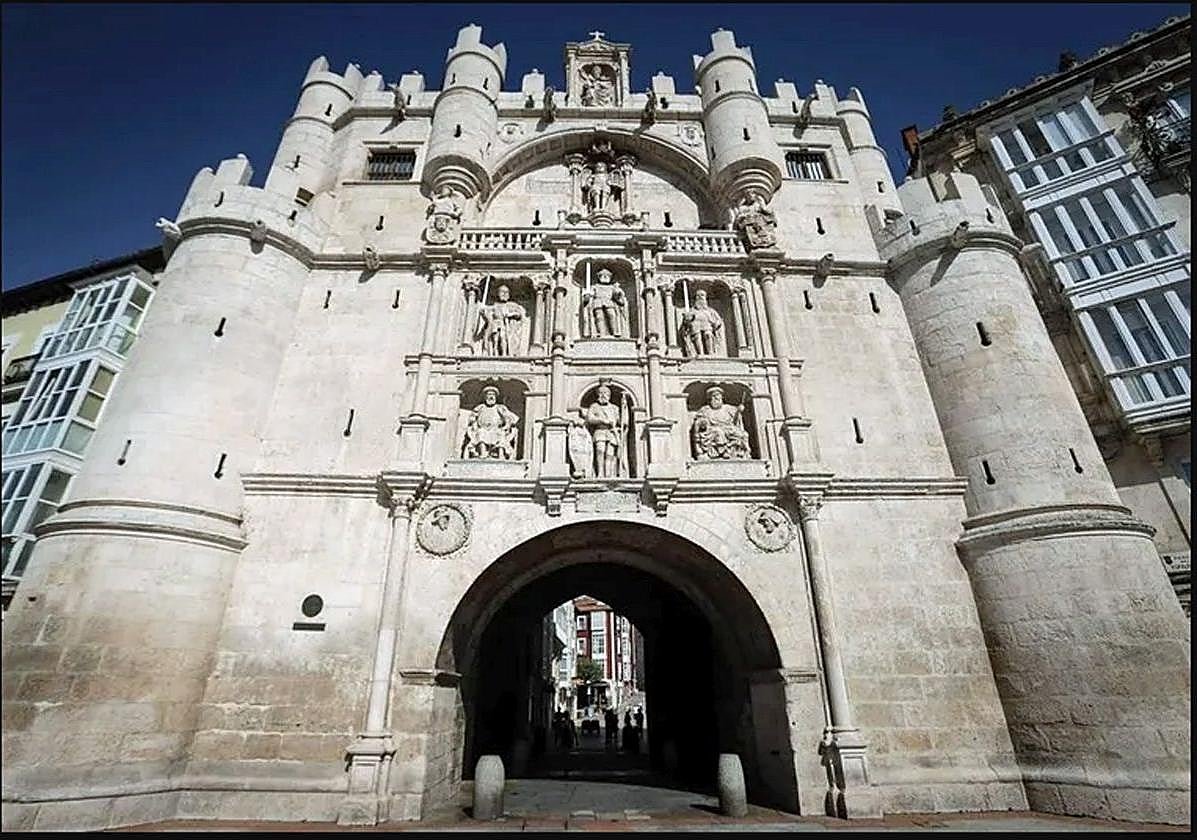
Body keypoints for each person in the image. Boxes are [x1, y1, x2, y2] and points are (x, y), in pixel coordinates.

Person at [691, 385, 751, 460]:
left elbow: (736, 421)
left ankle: (740, 454)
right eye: (713, 396)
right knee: (719, 432)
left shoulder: (729, 408)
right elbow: (699, 421)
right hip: (712, 430)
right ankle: (723, 452)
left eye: (718, 396)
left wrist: (738, 411)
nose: (716, 398)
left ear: (722, 397)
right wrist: (703, 422)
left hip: (729, 428)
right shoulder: (705, 410)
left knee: (743, 434)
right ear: (710, 399)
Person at [463, 386, 519, 460]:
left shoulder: (500, 408)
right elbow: (472, 418)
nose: (491, 397)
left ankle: (501, 454)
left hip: (497, 429)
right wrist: (474, 425)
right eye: (489, 395)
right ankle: (482, 453)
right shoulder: (480, 408)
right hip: (482, 429)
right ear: (485, 397)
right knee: (481, 433)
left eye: (493, 395)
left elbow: (508, 418)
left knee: (500, 434)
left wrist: (506, 426)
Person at [584, 384, 624, 478]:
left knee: (610, 454)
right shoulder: (594, 406)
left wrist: (624, 409)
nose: (603, 395)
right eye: (601, 393)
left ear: (609, 395)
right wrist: (602, 420)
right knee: (600, 451)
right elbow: (590, 419)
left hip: (612, 432)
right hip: (600, 431)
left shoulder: (614, 408)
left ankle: (609, 474)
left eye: (605, 393)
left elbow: (620, 421)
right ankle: (600, 473)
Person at [476, 284, 525, 357]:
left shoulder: (512, 305)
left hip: (505, 326)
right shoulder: (495, 305)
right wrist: (483, 310)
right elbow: (487, 311)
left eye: (506, 292)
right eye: (502, 292)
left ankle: (505, 353)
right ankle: (494, 354)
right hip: (496, 324)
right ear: (498, 293)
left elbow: (519, 314)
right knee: (495, 339)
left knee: (503, 338)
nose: (504, 294)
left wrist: (510, 314)